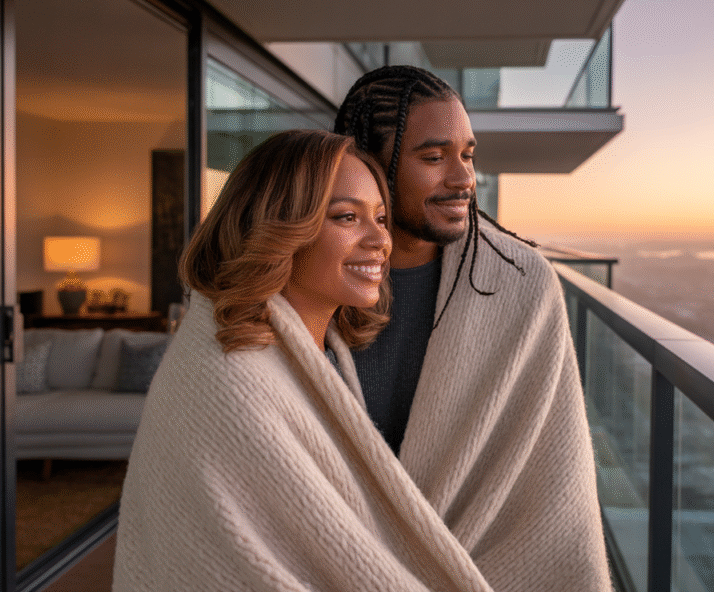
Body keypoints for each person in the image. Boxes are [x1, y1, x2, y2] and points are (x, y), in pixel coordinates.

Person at [116, 130, 506, 591]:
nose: (379, 240)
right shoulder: (233, 383)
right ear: (278, 228)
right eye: (346, 217)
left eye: (381, 218)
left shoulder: (322, 353)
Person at [334, 65, 613, 591]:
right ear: (364, 162)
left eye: (468, 156)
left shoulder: (520, 283)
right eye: (434, 157)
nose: (464, 180)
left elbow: (555, 487)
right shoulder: (305, 276)